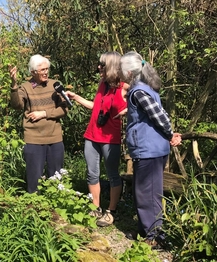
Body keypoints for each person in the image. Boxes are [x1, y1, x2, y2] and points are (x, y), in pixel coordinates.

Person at [119, 51, 182, 247]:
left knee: (148, 192)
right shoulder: (142, 89)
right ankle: (146, 231)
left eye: (121, 69)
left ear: (129, 72)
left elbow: (160, 116)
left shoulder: (139, 92)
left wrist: (171, 134)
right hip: (147, 149)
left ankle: (155, 237)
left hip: (150, 150)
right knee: (142, 191)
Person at [65, 51, 129, 227]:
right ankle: (95, 207)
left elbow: (143, 99)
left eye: (102, 65)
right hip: (92, 136)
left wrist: (128, 110)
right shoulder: (102, 84)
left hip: (110, 138)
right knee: (92, 173)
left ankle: (111, 211)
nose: (99, 67)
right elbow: (95, 107)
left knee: (112, 174)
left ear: (112, 66)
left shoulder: (124, 87)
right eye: (99, 64)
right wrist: (76, 97)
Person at [8, 54, 70, 193]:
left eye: (47, 69)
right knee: (34, 179)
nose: (46, 72)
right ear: (33, 72)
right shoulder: (25, 87)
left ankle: (56, 209)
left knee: (56, 178)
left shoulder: (55, 85)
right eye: (42, 70)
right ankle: (34, 209)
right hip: (34, 139)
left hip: (55, 138)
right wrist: (14, 84)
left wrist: (44, 113)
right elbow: (17, 105)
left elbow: (64, 109)